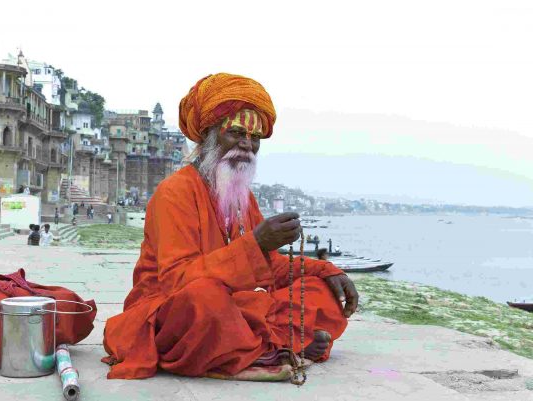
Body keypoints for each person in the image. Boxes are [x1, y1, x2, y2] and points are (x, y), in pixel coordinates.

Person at [102, 73, 358, 381]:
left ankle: (256, 344)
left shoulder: (242, 196)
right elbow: (177, 283)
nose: (247, 144)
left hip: (236, 306)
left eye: (255, 138)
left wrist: (326, 271)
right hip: (178, 311)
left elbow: (268, 268)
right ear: (208, 135)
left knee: (320, 293)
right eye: (236, 133)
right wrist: (256, 243)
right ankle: (277, 343)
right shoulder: (174, 192)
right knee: (205, 298)